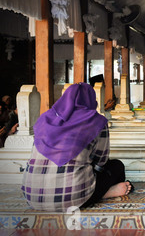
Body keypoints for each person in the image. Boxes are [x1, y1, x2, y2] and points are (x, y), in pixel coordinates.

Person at [21, 83, 133, 212]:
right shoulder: (96, 121)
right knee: (117, 166)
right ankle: (102, 194)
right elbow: (100, 161)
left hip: (32, 196)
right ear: (91, 100)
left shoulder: (45, 119)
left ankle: (94, 192)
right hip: (71, 198)